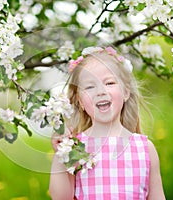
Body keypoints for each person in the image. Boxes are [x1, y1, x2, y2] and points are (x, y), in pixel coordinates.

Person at [49, 46, 165, 200]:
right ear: (80, 101)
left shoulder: (144, 148)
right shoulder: (75, 146)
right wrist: (61, 153)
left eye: (109, 83)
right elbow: (61, 197)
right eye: (90, 86)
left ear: (125, 92)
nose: (100, 91)